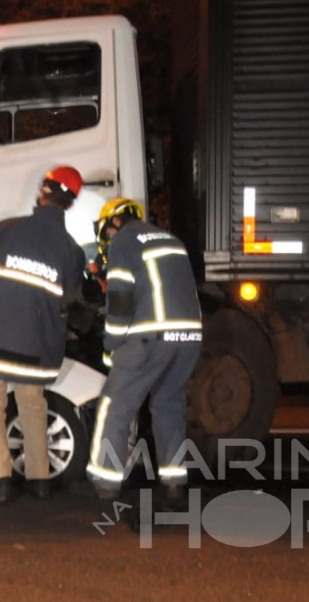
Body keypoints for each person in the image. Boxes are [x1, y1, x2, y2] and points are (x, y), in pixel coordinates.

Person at [0, 166, 85, 503]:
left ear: (42, 193)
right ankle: (39, 481)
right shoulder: (71, 252)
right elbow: (69, 299)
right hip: (36, 347)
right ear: (70, 204)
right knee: (32, 406)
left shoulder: (3, 230)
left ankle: (1, 481)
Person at [85, 198, 202, 507]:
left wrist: (111, 342)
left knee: (116, 404)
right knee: (168, 405)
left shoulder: (124, 238)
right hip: (189, 336)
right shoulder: (170, 238)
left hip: (151, 336)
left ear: (113, 222)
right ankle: (175, 481)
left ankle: (105, 482)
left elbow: (121, 297)